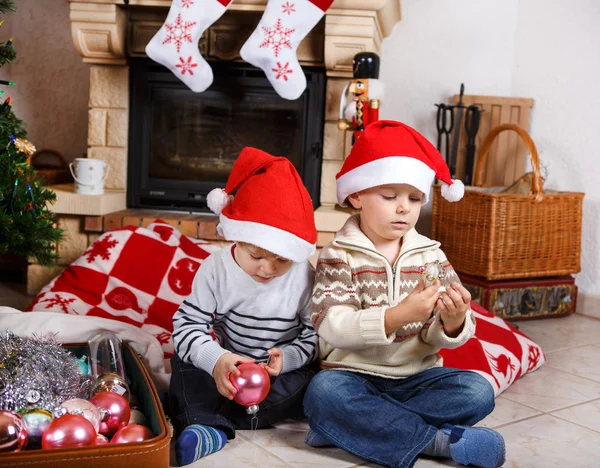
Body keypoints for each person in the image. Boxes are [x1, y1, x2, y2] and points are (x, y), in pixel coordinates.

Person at [303, 120, 506, 468]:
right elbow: (330, 324)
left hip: (416, 378)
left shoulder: (431, 255)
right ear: (356, 196)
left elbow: (436, 333)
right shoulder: (338, 254)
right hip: (352, 376)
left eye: (414, 199)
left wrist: (454, 321)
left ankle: (349, 427)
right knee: (324, 393)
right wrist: (398, 315)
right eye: (389, 196)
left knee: (478, 391)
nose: (404, 208)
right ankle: (439, 442)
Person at [169, 147, 319, 466]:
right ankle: (212, 423)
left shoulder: (304, 276)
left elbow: (313, 337)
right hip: (228, 368)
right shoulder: (216, 268)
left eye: (281, 261)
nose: (267, 269)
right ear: (236, 240)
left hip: (274, 379)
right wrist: (217, 360)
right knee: (183, 361)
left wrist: (287, 358)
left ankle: (210, 419)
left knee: (313, 382)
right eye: (256, 256)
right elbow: (185, 326)